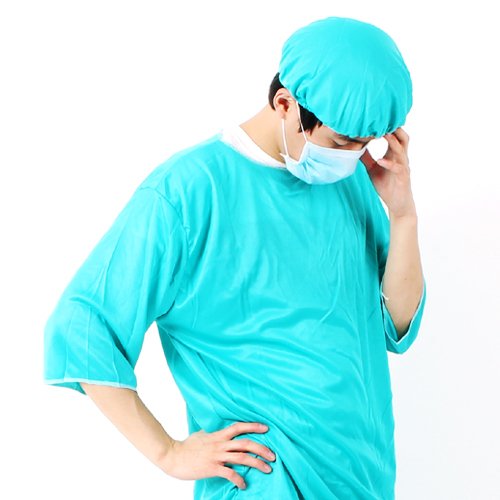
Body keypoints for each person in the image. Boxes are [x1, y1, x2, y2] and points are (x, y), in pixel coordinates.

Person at [43, 15, 427, 499]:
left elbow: (394, 325)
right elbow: (83, 326)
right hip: (265, 478)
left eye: (364, 144)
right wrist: (168, 453)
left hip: (361, 475)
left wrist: (403, 213)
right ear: (285, 104)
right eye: (340, 143)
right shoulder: (189, 192)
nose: (352, 158)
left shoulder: (349, 182)